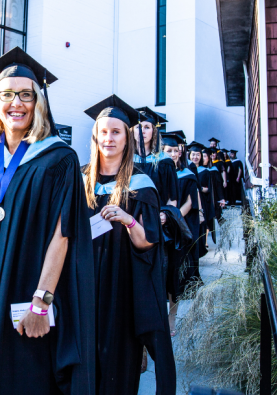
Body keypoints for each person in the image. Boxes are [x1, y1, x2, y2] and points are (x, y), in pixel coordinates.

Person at [0, 47, 96, 395]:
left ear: (38, 103)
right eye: (7, 95)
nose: (16, 103)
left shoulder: (58, 160)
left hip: (23, 298)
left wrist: (42, 300)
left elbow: (62, 235)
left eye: (26, 95)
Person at [83, 95, 175, 395]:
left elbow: (149, 242)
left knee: (115, 368)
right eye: (103, 131)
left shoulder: (140, 184)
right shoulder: (79, 178)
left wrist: (127, 219)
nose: (108, 138)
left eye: (116, 132)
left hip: (121, 287)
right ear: (95, 135)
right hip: (81, 284)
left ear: (127, 138)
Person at [166, 132, 201, 336]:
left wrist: (172, 218)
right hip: (159, 229)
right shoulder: (160, 171)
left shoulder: (187, 174)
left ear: (181, 152)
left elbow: (190, 202)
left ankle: (172, 319)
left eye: (175, 150)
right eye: (168, 151)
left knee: (174, 278)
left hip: (177, 230)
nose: (172, 154)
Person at [133, 107, 177, 207]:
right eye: (138, 127)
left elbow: (173, 198)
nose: (142, 131)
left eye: (147, 127)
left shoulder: (164, 161)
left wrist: (166, 214)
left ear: (154, 131)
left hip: (157, 216)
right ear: (132, 130)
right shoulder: (124, 160)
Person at [189, 142, 213, 257]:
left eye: (198, 154)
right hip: (189, 202)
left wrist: (199, 188)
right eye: (193, 154)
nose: (195, 157)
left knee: (202, 225)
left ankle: (202, 246)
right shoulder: (186, 170)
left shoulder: (205, 171)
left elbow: (209, 189)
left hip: (202, 201)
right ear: (189, 155)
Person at [203, 148, 226, 244]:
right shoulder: (197, 169)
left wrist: (221, 198)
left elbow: (218, 186)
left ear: (209, 158)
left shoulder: (213, 170)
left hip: (212, 197)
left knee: (214, 216)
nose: (203, 158)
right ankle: (205, 241)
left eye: (205, 156)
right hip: (203, 198)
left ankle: (225, 228)